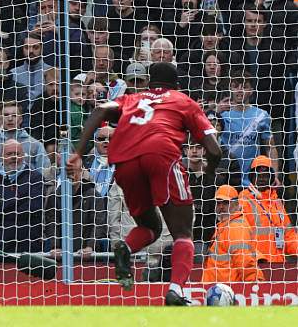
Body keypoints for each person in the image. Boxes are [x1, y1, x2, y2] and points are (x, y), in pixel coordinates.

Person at [68, 62, 222, 306]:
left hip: (125, 162)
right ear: (177, 85)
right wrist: (210, 172)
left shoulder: (132, 99)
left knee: (151, 226)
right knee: (183, 233)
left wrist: (77, 153)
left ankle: (126, 248)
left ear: (149, 83)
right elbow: (214, 150)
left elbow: (99, 110)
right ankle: (175, 291)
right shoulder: (184, 101)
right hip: (161, 156)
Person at [239, 155, 298, 263]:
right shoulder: (244, 199)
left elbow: (289, 235)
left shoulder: (277, 202)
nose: (262, 179)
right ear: (252, 177)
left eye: (265, 176)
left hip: (278, 264)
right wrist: (257, 258)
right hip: (257, 263)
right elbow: (240, 236)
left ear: (271, 178)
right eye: (258, 175)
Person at [201, 185, 264, 283]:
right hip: (220, 288)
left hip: (228, 289)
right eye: (218, 203)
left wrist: (254, 283)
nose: (221, 207)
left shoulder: (235, 227)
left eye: (226, 203)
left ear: (236, 204)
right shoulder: (225, 225)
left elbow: (244, 260)